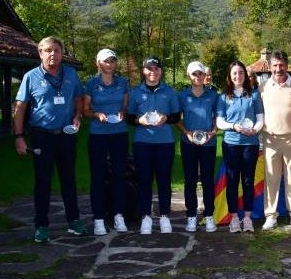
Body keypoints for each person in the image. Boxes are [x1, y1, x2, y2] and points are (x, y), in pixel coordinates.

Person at [13, 36, 87, 242]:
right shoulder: (31, 77)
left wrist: (77, 116)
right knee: (43, 182)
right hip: (41, 136)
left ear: (62, 53)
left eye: (56, 50)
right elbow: (20, 109)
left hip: (66, 135)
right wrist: (19, 137)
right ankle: (41, 225)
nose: (52, 54)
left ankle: (74, 221)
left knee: (68, 180)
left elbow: (78, 98)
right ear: (40, 53)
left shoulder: (71, 74)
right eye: (48, 50)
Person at [126, 57, 180, 235]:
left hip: (165, 142)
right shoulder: (136, 93)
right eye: (149, 69)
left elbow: (176, 117)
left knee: (164, 180)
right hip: (143, 142)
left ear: (160, 71)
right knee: (144, 180)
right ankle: (146, 217)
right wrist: (138, 120)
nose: (153, 72)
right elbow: (129, 117)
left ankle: (164, 216)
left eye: (156, 69)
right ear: (144, 71)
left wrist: (166, 118)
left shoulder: (169, 92)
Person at [83, 48, 129, 235]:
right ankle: (99, 218)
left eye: (112, 61)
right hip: (98, 134)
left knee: (119, 175)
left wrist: (122, 114)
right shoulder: (91, 84)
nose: (109, 64)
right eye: (106, 61)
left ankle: (119, 216)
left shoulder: (122, 83)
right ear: (98, 63)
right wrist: (96, 114)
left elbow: (126, 108)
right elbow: (85, 110)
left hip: (119, 133)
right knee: (98, 177)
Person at [258, 50, 291, 231]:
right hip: (270, 139)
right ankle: (270, 216)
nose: (279, 69)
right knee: (271, 178)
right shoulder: (262, 87)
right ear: (270, 67)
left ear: (287, 66)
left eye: (282, 65)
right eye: (275, 65)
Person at [216, 61, 264, 233]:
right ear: (230, 76)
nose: (238, 76)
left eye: (241, 73)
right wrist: (233, 126)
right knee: (232, 181)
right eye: (234, 73)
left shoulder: (255, 95)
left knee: (248, 181)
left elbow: (260, 119)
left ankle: (248, 218)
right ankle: (234, 218)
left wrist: (255, 130)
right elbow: (219, 122)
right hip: (231, 144)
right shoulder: (223, 97)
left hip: (250, 145)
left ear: (246, 75)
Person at [176, 61, 218, 233]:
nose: (198, 77)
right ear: (189, 76)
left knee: (208, 180)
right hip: (188, 143)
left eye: (200, 73)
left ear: (204, 75)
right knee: (190, 180)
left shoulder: (213, 95)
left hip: (209, 143)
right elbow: (176, 118)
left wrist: (213, 133)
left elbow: (218, 118)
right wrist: (186, 133)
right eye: (194, 74)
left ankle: (209, 215)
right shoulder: (182, 96)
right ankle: (191, 216)